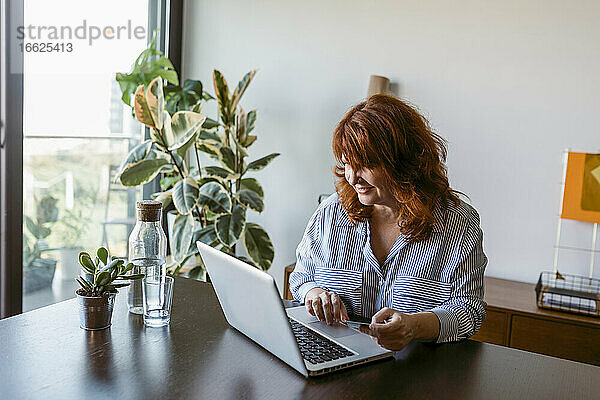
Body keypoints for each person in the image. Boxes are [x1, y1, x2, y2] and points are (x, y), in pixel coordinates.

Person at [289, 94, 487, 351]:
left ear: (404, 162)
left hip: (416, 373)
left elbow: (468, 312)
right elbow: (301, 277)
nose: (353, 178)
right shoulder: (330, 212)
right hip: (337, 364)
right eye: (348, 163)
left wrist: (413, 326)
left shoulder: (458, 223)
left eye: (366, 164)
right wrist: (314, 295)